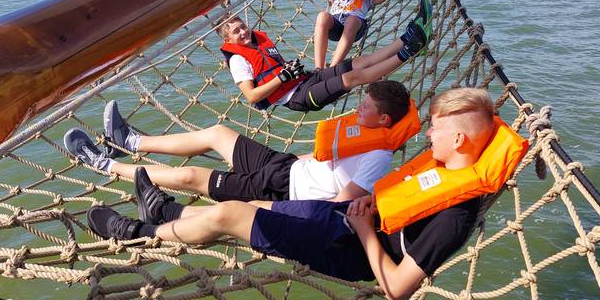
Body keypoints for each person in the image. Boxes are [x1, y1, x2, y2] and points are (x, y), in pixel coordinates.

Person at [87, 88, 516, 300]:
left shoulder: (454, 216)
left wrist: (365, 228)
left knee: (229, 215)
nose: (428, 132)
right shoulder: (440, 168)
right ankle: (170, 211)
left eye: (438, 128)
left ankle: (142, 231)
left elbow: (398, 287)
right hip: (344, 216)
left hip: (347, 247)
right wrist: (366, 207)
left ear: (459, 139)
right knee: (250, 208)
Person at [64, 81, 415, 204]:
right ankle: (132, 140)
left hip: (280, 193)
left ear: (384, 120)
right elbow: (325, 157)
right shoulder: (367, 132)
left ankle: (106, 164)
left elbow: (340, 202)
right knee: (218, 133)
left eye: (364, 106)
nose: (357, 108)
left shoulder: (378, 156)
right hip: (286, 166)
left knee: (192, 178)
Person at [217, 0, 431, 112]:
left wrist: (289, 73)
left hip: (305, 79)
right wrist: (281, 78)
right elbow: (252, 96)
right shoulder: (237, 60)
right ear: (228, 40)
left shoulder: (258, 43)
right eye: (237, 31)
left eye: (243, 26)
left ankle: (407, 37)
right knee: (352, 78)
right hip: (298, 98)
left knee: (358, 62)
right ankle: (410, 51)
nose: (244, 32)